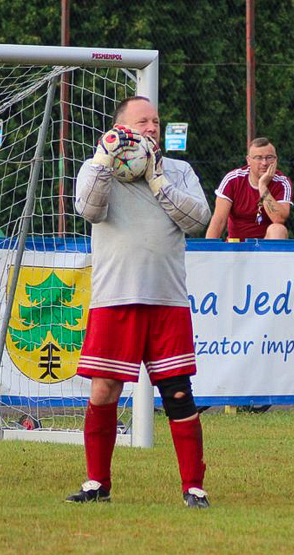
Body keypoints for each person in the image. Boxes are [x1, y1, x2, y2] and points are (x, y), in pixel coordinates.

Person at [68, 96, 213, 508]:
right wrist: (103, 157)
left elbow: (198, 220)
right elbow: (89, 210)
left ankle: (194, 488)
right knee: (103, 391)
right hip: (115, 298)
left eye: (156, 121)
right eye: (142, 121)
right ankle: (98, 483)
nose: (152, 127)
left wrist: (157, 179)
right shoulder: (99, 169)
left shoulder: (179, 171)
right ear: (121, 129)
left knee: (178, 393)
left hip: (166, 299)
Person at [205, 137, 293, 241]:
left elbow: (279, 218)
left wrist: (262, 186)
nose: (264, 163)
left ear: (276, 159)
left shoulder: (282, 182)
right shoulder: (233, 180)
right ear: (249, 160)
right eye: (258, 158)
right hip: (236, 247)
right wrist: (207, 253)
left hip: (265, 247)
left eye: (269, 157)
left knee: (278, 229)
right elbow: (219, 220)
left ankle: (271, 257)